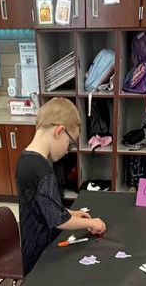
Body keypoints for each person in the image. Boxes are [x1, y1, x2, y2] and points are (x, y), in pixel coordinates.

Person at [15, 97, 106, 275]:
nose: (67, 151)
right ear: (59, 131)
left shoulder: (25, 159)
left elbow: (42, 206)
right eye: (70, 143)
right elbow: (58, 220)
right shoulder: (42, 170)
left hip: (31, 245)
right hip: (42, 254)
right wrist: (92, 223)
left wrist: (71, 213)